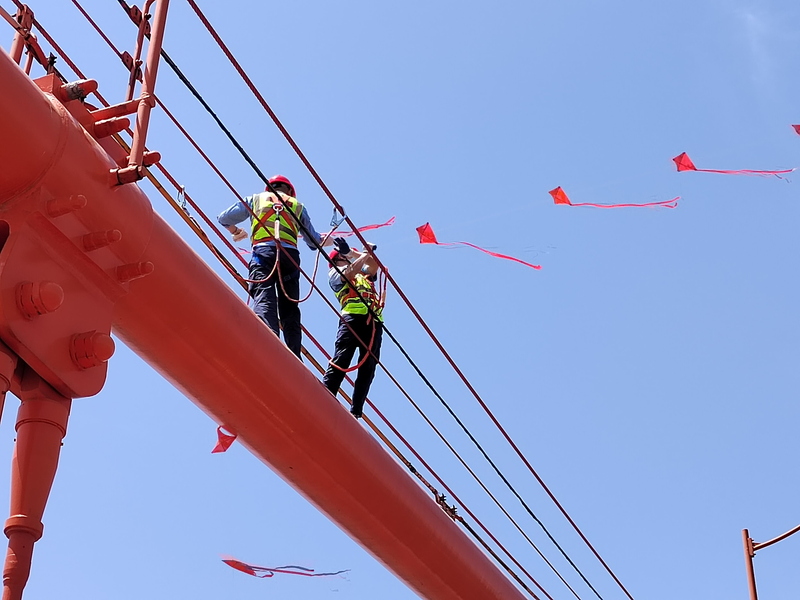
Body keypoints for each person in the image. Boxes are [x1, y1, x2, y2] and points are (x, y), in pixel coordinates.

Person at [217, 175, 329, 358]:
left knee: (264, 296)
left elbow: (224, 218)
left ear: (268, 189)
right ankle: (294, 355)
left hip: (264, 254)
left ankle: (268, 342)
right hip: (290, 258)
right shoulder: (297, 206)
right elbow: (314, 241)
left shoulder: (256, 199)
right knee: (290, 308)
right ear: (290, 191)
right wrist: (331, 240)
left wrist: (236, 231)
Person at [322, 237, 384, 418]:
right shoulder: (334, 273)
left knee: (369, 366)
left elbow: (374, 266)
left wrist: (354, 253)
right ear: (337, 259)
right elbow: (349, 273)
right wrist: (362, 254)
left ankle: (356, 409)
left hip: (373, 323)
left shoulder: (362, 274)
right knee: (343, 358)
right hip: (352, 319)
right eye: (345, 256)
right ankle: (326, 394)